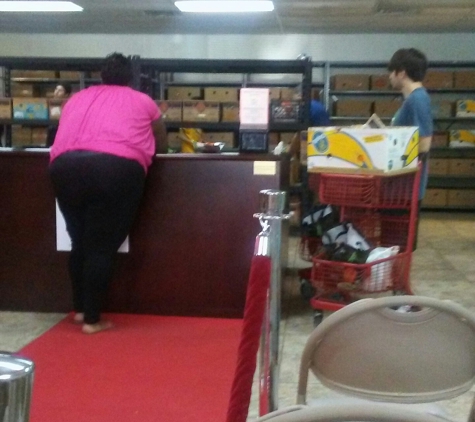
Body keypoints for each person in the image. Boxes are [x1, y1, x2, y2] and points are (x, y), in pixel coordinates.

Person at [49, 52, 167, 334]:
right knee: (100, 246)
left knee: (79, 241)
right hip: (114, 168)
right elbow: (160, 139)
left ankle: (79, 310)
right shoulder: (142, 101)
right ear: (131, 78)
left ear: (101, 75)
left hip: (63, 167)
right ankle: (92, 320)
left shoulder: (76, 98)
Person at [388, 48, 433, 248]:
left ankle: (397, 280)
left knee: (399, 244)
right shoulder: (411, 100)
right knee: (394, 241)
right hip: (400, 186)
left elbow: (424, 142)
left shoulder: (418, 99)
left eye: (392, 72)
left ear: (402, 72)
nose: (390, 77)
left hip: (406, 188)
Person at [46, 83, 72, 147]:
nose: (56, 92)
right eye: (56, 89)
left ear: (66, 94)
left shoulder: (69, 105)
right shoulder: (49, 103)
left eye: (60, 90)